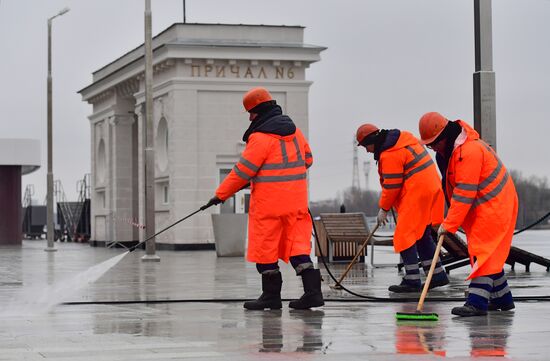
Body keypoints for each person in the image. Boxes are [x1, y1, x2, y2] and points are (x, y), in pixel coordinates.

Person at [205, 87, 324, 310]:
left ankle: (271, 297)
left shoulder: (260, 138)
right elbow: (307, 160)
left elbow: (243, 171)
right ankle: (313, 294)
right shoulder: (295, 132)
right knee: (298, 247)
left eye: (250, 112)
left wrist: (220, 195)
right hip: (296, 203)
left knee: (265, 249)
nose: (249, 117)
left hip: (269, 205)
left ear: (258, 111)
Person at [418, 112, 518, 317]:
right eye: (429, 145)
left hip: (494, 205)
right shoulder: (452, 152)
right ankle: (503, 298)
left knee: (483, 252)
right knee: (485, 252)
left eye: (434, 143)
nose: (433, 148)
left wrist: (450, 223)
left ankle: (477, 302)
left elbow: (464, 192)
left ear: (445, 136)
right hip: (483, 206)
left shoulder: (469, 152)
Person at [356, 123, 449, 293]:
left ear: (371, 141)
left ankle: (412, 279)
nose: (367, 151)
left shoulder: (390, 154)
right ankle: (437, 275)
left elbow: (392, 185)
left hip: (417, 193)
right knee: (421, 235)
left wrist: (383, 208)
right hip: (432, 190)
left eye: (365, 146)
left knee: (404, 235)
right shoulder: (403, 141)